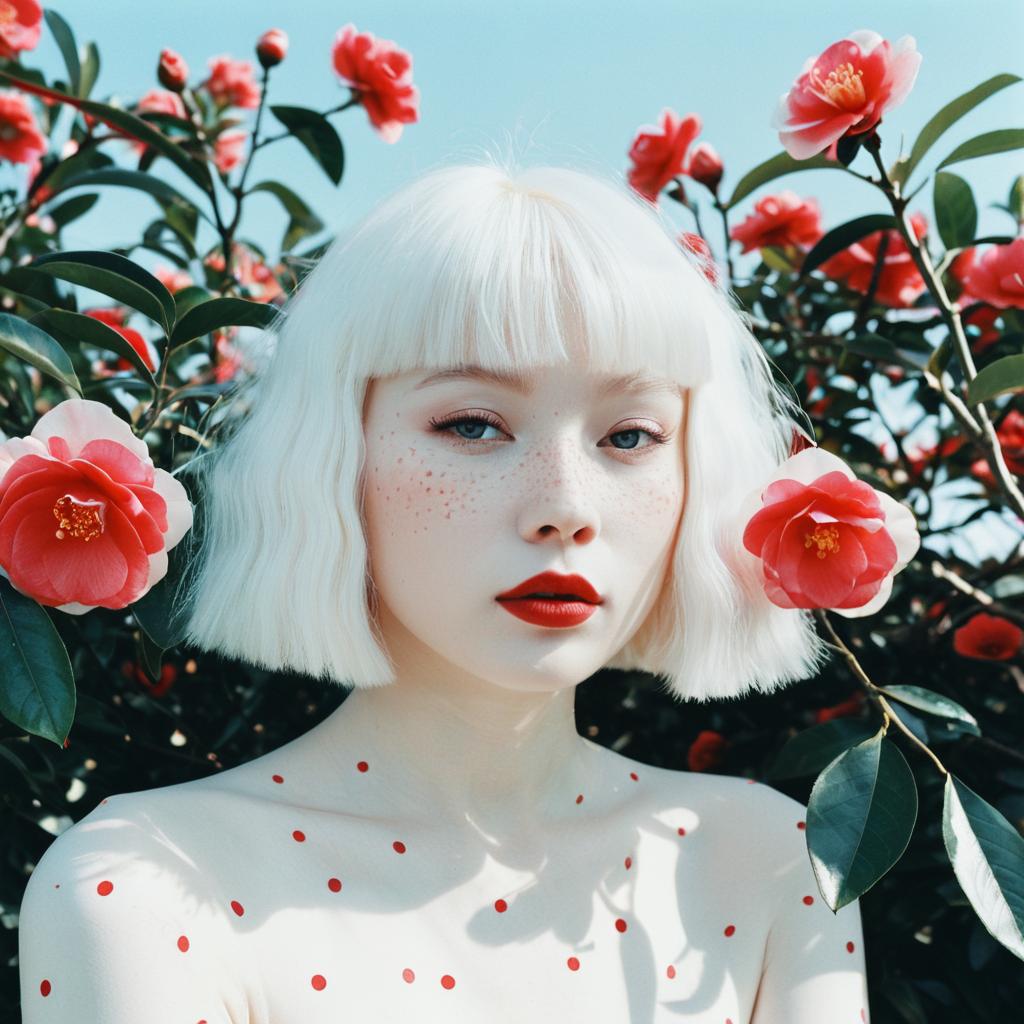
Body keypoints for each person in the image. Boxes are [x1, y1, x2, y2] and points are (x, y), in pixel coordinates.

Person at [19, 156, 869, 1023]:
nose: (565, 508)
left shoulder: (773, 863)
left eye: (630, 435)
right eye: (471, 423)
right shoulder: (143, 887)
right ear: (333, 457)